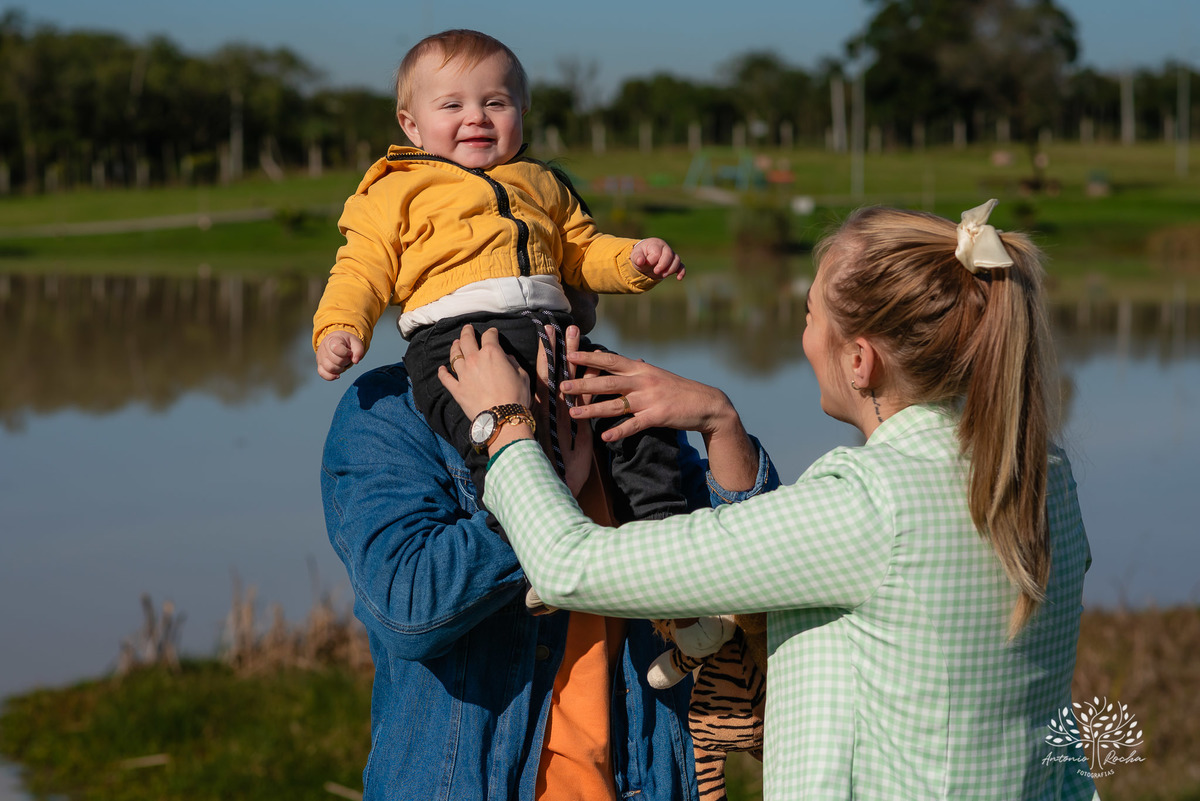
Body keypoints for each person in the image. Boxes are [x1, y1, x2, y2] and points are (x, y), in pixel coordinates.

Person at [440, 200, 1099, 800]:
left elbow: (570, 565)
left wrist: (505, 424)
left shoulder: (867, 506)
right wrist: (720, 420)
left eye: (811, 316)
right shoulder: (1044, 476)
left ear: (861, 361)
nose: (805, 336)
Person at [319, 333, 748, 799]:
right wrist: (533, 477)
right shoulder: (391, 410)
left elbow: (753, 580)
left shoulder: (617, 396)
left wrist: (720, 422)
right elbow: (409, 607)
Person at [312, 28, 689, 535]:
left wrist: (634, 259)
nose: (476, 117)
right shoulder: (393, 192)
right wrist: (341, 327)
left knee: (639, 419)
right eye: (452, 105)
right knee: (497, 443)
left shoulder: (541, 183)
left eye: (495, 102)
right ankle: (533, 552)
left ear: (521, 113)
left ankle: (667, 545)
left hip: (558, 335)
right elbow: (360, 269)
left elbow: (580, 252)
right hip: (458, 340)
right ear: (412, 126)